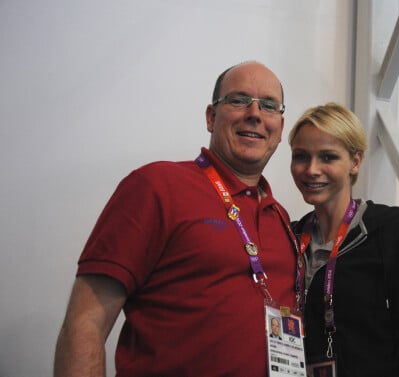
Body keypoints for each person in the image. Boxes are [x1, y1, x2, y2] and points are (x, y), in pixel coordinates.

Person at [54, 61, 300, 377]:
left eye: (269, 105)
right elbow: (84, 324)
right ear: (211, 117)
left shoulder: (282, 219)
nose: (254, 113)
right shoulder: (156, 186)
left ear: (279, 127)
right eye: (238, 100)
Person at [289, 102, 399, 376]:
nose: (311, 169)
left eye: (328, 157)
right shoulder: (288, 236)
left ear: (355, 161)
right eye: (301, 156)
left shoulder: (393, 232)